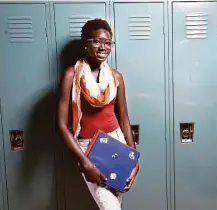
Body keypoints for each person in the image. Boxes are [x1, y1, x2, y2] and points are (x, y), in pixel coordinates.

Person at [57, 18, 139, 210]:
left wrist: (133, 158)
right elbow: (61, 125)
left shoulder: (116, 77)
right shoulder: (71, 75)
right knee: (110, 206)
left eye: (107, 43)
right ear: (86, 44)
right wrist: (85, 163)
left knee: (115, 201)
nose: (103, 47)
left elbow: (124, 119)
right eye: (97, 41)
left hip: (116, 143)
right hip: (90, 149)